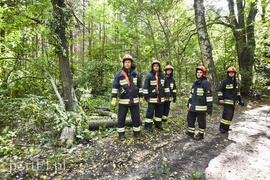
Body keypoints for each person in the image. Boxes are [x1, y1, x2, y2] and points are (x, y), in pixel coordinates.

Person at [111, 54, 143, 140]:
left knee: (136, 118)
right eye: (126, 62)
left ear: (131, 63)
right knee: (121, 118)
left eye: (129, 62)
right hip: (123, 101)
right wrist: (114, 98)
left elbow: (139, 87)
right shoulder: (119, 75)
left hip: (134, 101)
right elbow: (115, 87)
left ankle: (137, 133)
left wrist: (141, 97)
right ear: (123, 63)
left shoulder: (136, 74)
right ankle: (121, 134)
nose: (127, 64)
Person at [186, 66, 213, 140]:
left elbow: (209, 96)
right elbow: (192, 94)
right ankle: (191, 132)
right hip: (193, 106)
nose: (198, 74)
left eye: (200, 72)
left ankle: (201, 135)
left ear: (203, 74)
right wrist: (189, 103)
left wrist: (209, 107)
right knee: (190, 119)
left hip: (201, 107)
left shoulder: (206, 83)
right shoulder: (195, 82)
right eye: (197, 72)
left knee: (201, 122)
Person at [143, 59, 170, 132]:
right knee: (150, 112)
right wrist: (146, 96)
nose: (156, 67)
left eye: (157, 66)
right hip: (152, 98)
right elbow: (146, 87)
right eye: (154, 66)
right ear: (152, 67)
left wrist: (167, 95)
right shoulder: (149, 75)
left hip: (161, 98)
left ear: (159, 67)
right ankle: (148, 125)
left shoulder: (163, 76)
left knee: (159, 112)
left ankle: (158, 124)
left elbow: (166, 87)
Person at [218, 66, 244, 133]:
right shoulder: (225, 81)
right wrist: (220, 99)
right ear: (228, 73)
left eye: (232, 73)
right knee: (226, 114)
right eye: (230, 73)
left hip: (233, 102)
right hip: (227, 101)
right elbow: (220, 90)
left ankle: (226, 127)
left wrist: (240, 100)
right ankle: (222, 128)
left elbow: (237, 92)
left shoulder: (236, 82)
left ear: (235, 73)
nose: (231, 74)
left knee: (231, 115)